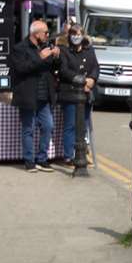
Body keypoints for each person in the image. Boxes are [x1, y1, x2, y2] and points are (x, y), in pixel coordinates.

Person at [8, 19, 58, 172]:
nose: (47, 35)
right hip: (28, 95)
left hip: (44, 96)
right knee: (28, 129)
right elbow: (21, 69)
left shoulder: (45, 47)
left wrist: (56, 56)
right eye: (45, 33)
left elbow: (53, 69)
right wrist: (40, 58)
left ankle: (42, 159)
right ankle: (29, 161)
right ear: (36, 34)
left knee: (48, 126)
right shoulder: (20, 48)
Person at [57, 22, 100, 169]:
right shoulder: (65, 51)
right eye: (73, 34)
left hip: (86, 94)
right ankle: (69, 156)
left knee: (84, 126)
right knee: (71, 126)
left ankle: (82, 154)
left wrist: (92, 80)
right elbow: (64, 71)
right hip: (70, 93)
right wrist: (81, 81)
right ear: (69, 36)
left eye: (79, 33)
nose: (76, 36)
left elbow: (95, 67)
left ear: (83, 35)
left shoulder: (89, 51)